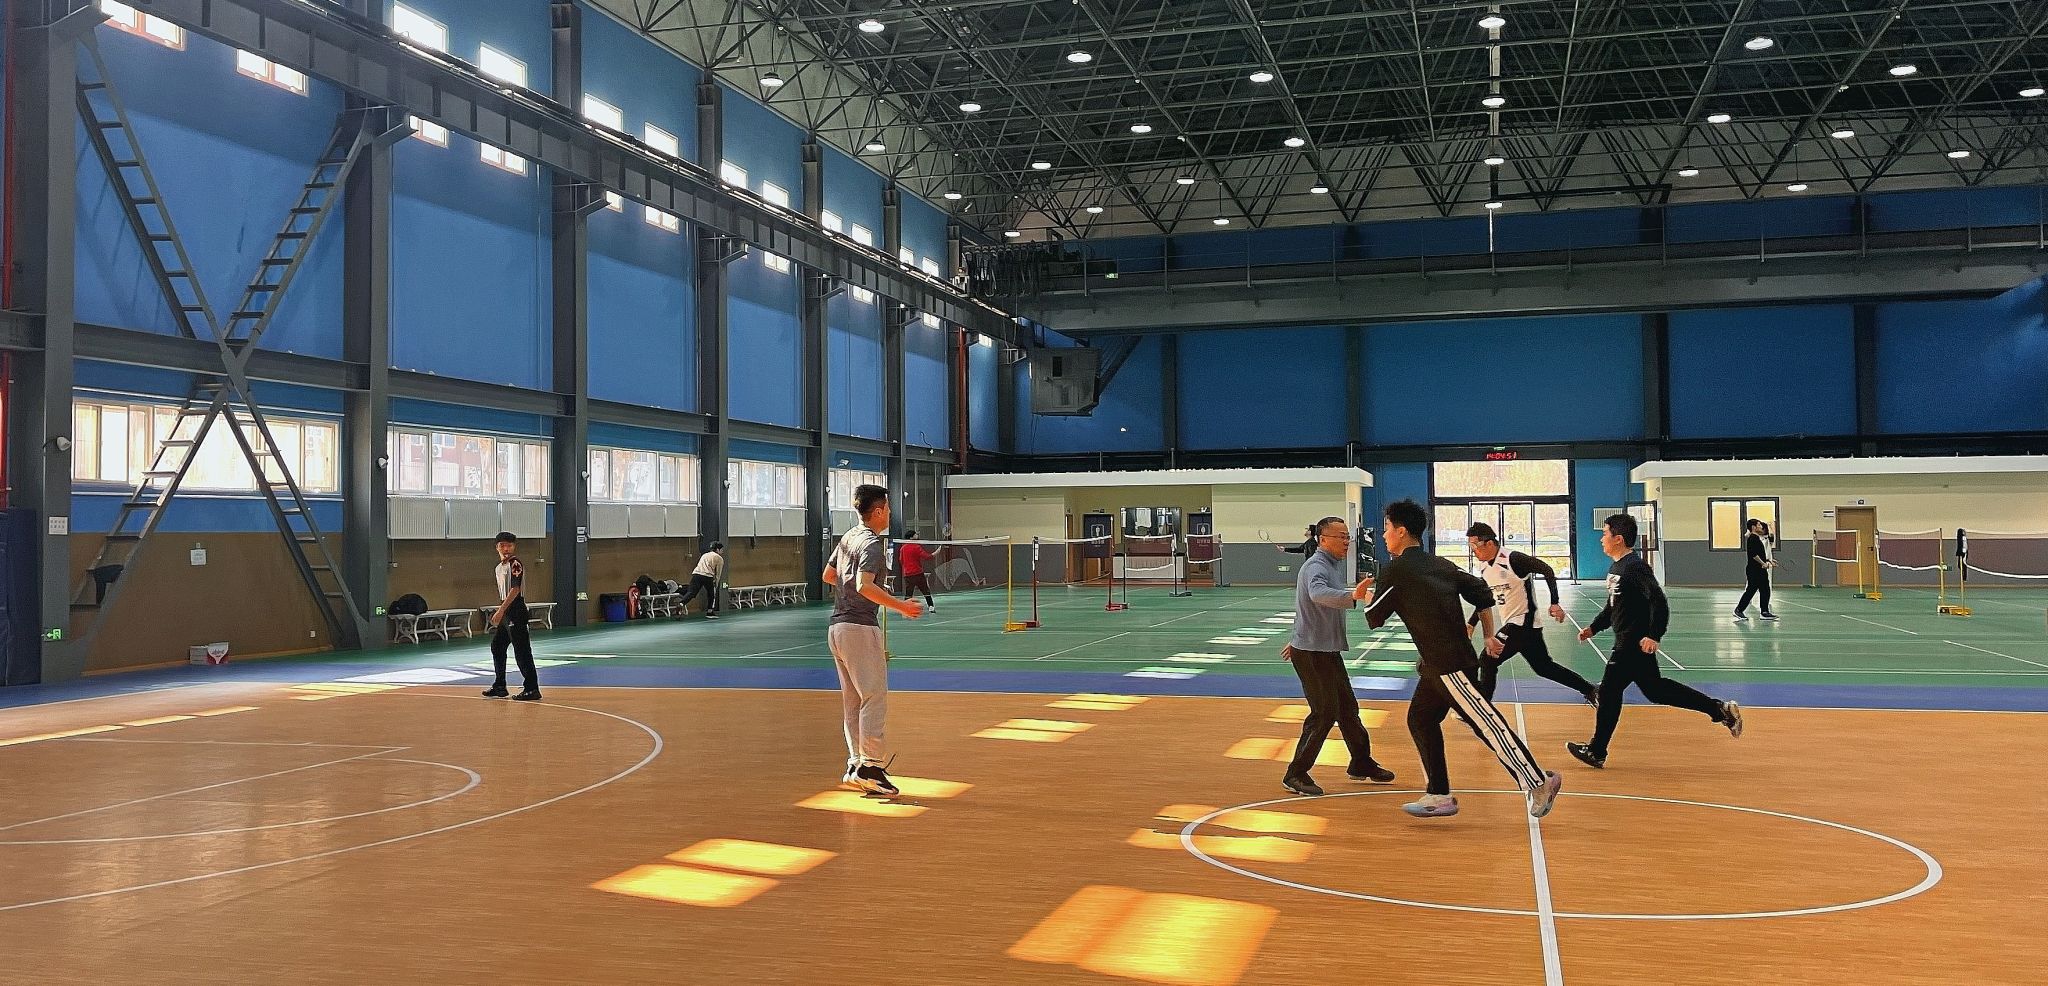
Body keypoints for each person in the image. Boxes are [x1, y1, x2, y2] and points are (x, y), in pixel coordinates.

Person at [1362, 500, 1561, 819]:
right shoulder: (1441, 565)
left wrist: (1363, 596)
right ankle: (1439, 794)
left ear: (1401, 531)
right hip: (1435, 665)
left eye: (1387, 528)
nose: (1384, 535)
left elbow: (1374, 617)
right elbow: (1483, 595)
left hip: (1449, 665)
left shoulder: (1396, 570)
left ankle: (1539, 782)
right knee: (1421, 719)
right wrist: (1489, 634)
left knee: (1486, 723)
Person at [1568, 513, 1745, 770]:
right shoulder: (1617, 568)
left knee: (1608, 692)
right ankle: (1720, 710)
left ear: (1618, 539)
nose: (1601, 539)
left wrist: (1654, 635)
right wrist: (1594, 628)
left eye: (1605, 533)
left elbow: (1658, 600)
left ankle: (1597, 751)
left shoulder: (1635, 567)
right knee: (1655, 690)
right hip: (1628, 641)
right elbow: (1613, 606)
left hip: (1633, 643)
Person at [1279, 516, 1396, 797]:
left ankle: (1360, 762)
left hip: (1323, 649)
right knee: (1324, 713)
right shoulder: (1316, 566)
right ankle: (1295, 774)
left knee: (1347, 709)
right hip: (1312, 653)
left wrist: (1296, 637)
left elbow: (1306, 606)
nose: (1346, 541)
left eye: (1347, 537)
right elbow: (1317, 594)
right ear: (1323, 540)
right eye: (1340, 537)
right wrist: (1352, 596)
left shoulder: (1331, 565)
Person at [823, 484, 924, 797]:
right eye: (888, 508)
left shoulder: (848, 538)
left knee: (854, 701)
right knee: (874, 697)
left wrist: (858, 592)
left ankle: (857, 764)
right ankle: (871, 766)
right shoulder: (871, 544)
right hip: (858, 629)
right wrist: (901, 606)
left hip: (837, 628)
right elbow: (864, 586)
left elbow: (829, 575)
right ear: (878, 511)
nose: (890, 513)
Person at [1464, 523, 1599, 706]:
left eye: (1474, 545)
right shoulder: (1485, 568)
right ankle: (1590, 689)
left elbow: (1546, 569)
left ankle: (1482, 707)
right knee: (1544, 667)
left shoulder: (1513, 559)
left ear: (1488, 543)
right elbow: (1487, 599)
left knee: (1488, 658)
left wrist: (1554, 602)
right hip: (1524, 628)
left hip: (1522, 622)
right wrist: (1472, 623)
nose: (1472, 550)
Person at [482, 532, 540, 701]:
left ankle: (532, 688)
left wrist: (500, 611)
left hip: (516, 610)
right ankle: (500, 685)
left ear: (514, 547)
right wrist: (502, 611)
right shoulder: (498, 568)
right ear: (497, 547)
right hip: (507, 611)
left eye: (509, 545)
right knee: (497, 646)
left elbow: (515, 589)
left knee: (522, 650)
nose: (506, 549)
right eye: (502, 545)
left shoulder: (515, 564)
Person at [1733, 519, 1779, 622]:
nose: (1761, 527)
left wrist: (1769, 561)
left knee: (1765, 589)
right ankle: (1739, 610)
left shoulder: (1757, 538)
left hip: (1759, 570)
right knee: (1751, 591)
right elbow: (1754, 555)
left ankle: (1764, 612)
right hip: (1754, 570)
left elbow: (1760, 554)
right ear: (1753, 527)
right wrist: (1763, 563)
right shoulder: (1752, 538)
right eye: (1759, 525)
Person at [676, 541, 724, 619]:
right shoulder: (719, 558)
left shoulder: (704, 555)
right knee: (711, 594)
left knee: (691, 592)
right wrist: (717, 583)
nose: (722, 551)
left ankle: (681, 603)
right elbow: (718, 572)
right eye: (721, 549)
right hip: (708, 576)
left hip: (696, 574)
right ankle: (710, 612)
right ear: (717, 549)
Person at [899, 530, 937, 612]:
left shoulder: (902, 548)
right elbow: (927, 557)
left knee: (908, 593)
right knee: (925, 591)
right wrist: (935, 553)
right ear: (911, 537)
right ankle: (931, 607)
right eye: (915, 534)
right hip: (918, 573)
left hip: (908, 574)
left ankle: (905, 609)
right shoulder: (916, 547)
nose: (917, 535)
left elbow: (901, 560)